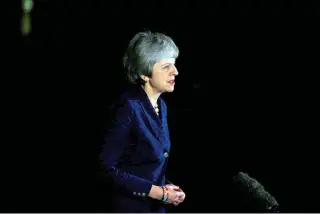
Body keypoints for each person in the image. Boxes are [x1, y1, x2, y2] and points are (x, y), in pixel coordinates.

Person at [99, 30, 186, 212]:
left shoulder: (161, 105)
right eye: (166, 66)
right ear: (144, 74)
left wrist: (168, 188)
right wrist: (159, 193)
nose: (175, 72)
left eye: (174, 65)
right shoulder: (127, 108)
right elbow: (106, 170)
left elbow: (145, 166)